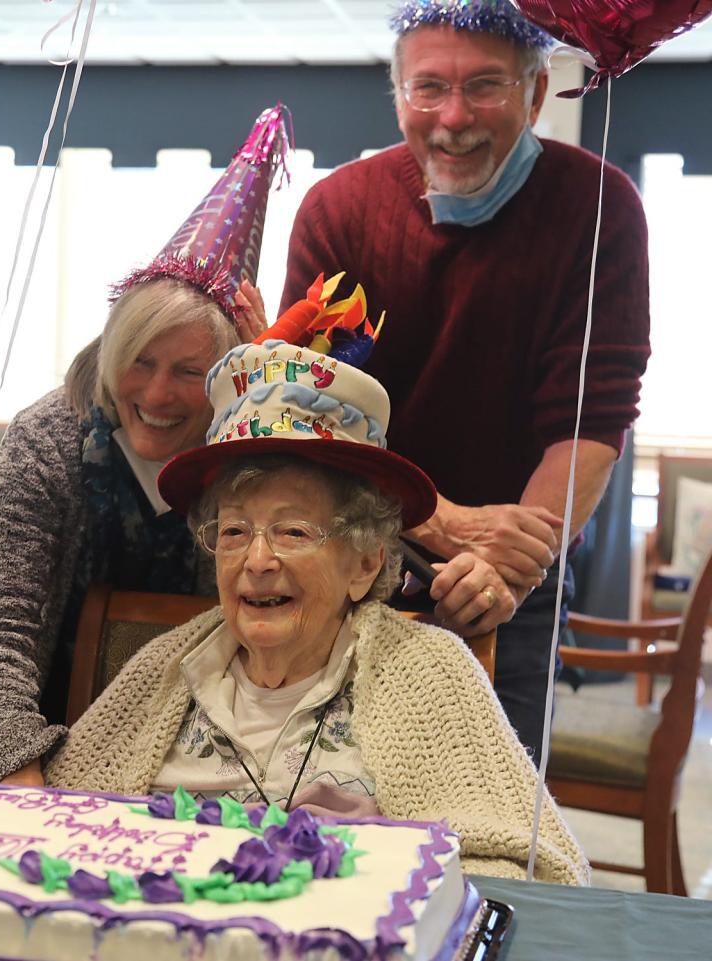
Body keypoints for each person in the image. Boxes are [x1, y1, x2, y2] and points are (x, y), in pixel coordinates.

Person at [45, 332, 589, 884]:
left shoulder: (428, 674)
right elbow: (58, 827)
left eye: (293, 530)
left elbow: (531, 869)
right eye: (234, 530)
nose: (257, 560)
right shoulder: (164, 667)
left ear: (365, 564)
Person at [278, 0, 651, 762]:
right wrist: (444, 524)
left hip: (521, 558)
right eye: (429, 89)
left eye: (485, 85)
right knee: (329, 790)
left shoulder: (600, 206)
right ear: (398, 94)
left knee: (497, 817)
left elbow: (591, 418)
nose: (453, 117)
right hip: (355, 544)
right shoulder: (339, 210)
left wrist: (505, 563)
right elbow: (305, 404)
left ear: (537, 91)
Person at [0, 105, 291, 793]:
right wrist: (17, 784)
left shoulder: (245, 448)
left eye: (189, 372)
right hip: (1, 646)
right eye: (140, 361)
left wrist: (268, 398)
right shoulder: (50, 434)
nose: (157, 393)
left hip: (153, 668)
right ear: (109, 352)